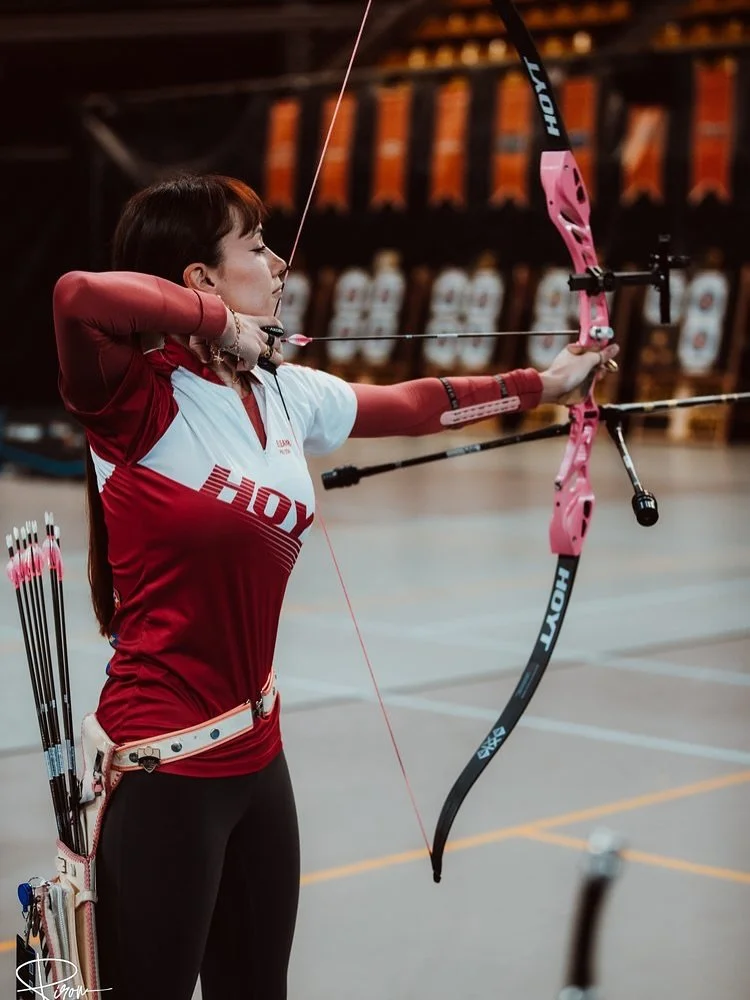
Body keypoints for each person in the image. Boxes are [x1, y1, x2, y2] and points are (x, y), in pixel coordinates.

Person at [52, 172, 618, 1000]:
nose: (279, 264)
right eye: (255, 249)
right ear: (201, 281)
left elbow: (421, 404)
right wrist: (225, 329)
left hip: (258, 756)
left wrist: (547, 384)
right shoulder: (134, 402)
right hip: (163, 770)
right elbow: (77, 295)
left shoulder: (278, 391)